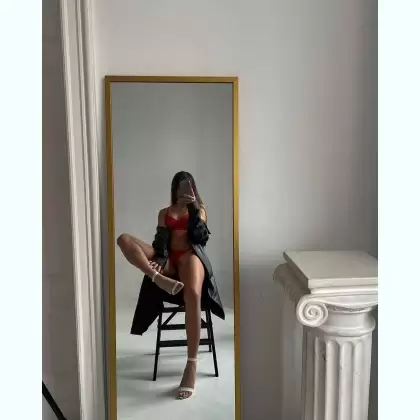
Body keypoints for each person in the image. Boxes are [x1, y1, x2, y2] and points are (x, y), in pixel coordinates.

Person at [117, 171, 224, 400]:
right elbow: (160, 244)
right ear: (174, 189)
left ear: (193, 188)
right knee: (124, 239)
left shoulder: (199, 210)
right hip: (168, 260)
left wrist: (193, 208)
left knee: (193, 292)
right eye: (179, 186)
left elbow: (200, 238)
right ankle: (157, 278)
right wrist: (158, 262)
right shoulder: (164, 213)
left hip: (190, 257)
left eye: (188, 186)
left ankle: (191, 364)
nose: (183, 190)